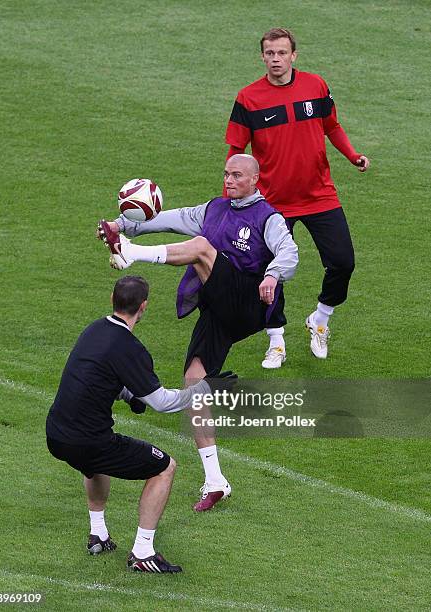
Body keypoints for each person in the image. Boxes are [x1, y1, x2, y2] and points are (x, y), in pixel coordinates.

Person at [97, 154, 298, 510]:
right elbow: (167, 220)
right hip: (219, 309)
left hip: (248, 303)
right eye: (226, 174)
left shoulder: (269, 218)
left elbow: (289, 252)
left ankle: (131, 256)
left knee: (203, 249)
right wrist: (119, 226)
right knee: (194, 383)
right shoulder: (214, 209)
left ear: (255, 179)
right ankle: (215, 480)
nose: (229, 180)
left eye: (237, 175)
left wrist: (272, 274)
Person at [46, 275, 218, 573]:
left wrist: (127, 393)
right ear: (144, 307)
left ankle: (98, 534)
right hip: (89, 440)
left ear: (112, 299)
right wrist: (204, 389)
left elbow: (95, 377)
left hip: (57, 434)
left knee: (93, 464)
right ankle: (142, 553)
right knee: (164, 467)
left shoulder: (94, 330)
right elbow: (162, 402)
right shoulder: (130, 347)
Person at [225, 28, 370, 368]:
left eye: (281, 53)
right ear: (262, 57)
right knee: (270, 274)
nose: (275, 59)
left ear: (294, 56)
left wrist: (352, 156)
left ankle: (320, 317)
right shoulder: (249, 98)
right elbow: (236, 149)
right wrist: (228, 198)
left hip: (320, 195)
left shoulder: (315, 86)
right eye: (269, 53)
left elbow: (331, 126)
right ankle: (276, 340)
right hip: (272, 204)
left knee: (342, 262)